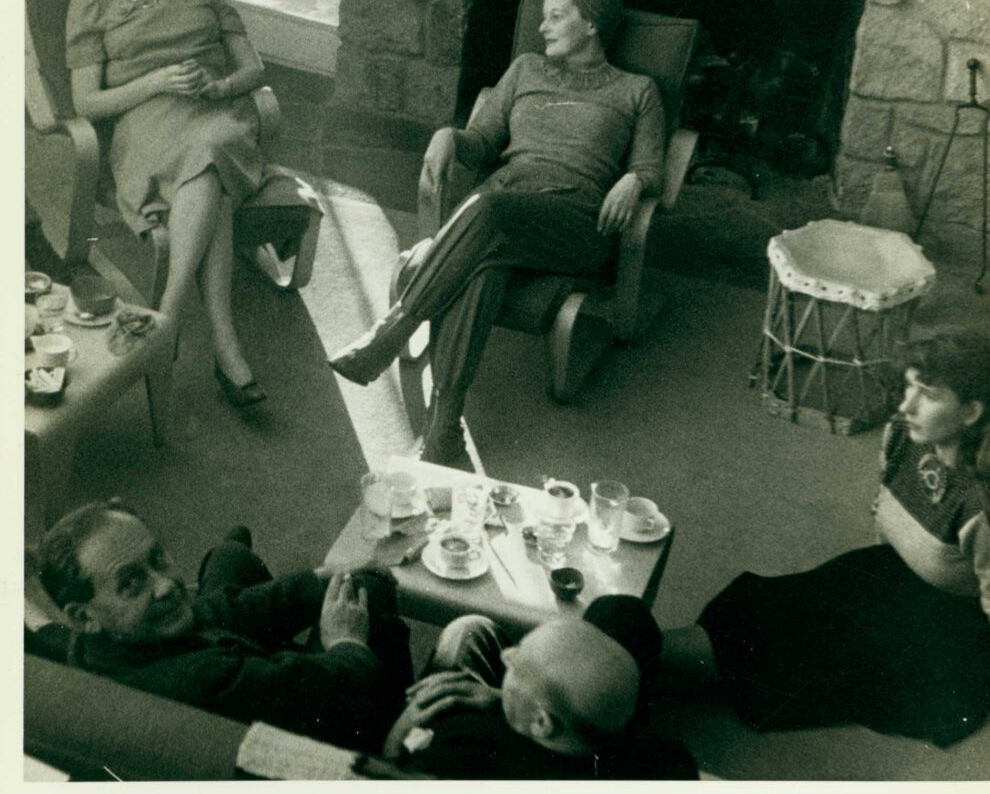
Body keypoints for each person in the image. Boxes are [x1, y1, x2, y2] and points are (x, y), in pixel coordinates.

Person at [330, 0, 665, 461]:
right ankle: (445, 429)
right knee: (483, 263)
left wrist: (633, 181)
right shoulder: (525, 69)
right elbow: (482, 142)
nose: (541, 27)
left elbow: (652, 167)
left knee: (486, 211)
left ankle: (395, 328)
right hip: (504, 211)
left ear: (591, 24)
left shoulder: (636, 91)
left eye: (555, 17)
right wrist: (447, 134)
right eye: (543, 18)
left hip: (574, 220)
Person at [659, 329, 990, 747]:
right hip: (887, 571)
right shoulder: (904, 433)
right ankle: (642, 656)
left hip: (947, 622)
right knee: (770, 611)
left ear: (971, 412)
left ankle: (639, 662)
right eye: (908, 385)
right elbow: (886, 504)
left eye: (927, 394)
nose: (906, 405)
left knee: (802, 663)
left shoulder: (982, 505)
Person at [66, 0, 268, 407]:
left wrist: (218, 87)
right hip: (145, 123)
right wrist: (156, 81)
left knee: (212, 147)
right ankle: (223, 345)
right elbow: (87, 101)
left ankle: (167, 315)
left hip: (216, 111)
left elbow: (254, 69)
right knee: (212, 181)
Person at [36, 500, 412, 753]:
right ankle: (404, 712)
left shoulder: (96, 645)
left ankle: (238, 558)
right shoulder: (204, 678)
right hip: (321, 723)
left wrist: (318, 580)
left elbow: (208, 614)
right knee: (365, 593)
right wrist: (346, 642)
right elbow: (333, 679)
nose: (164, 584)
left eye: (158, 559)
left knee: (227, 558)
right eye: (130, 583)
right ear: (82, 616)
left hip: (217, 659)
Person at [380, 596, 698, 779]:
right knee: (624, 613)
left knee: (469, 632)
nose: (506, 655)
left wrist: (408, 719)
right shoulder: (670, 761)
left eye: (518, 665)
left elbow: (387, 767)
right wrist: (507, 700)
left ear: (542, 723)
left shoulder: (459, 748)